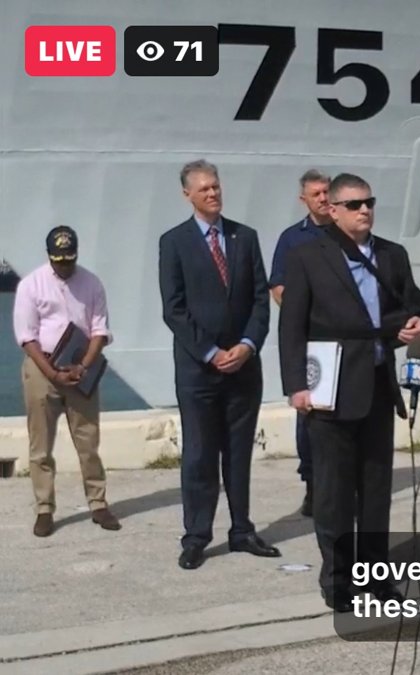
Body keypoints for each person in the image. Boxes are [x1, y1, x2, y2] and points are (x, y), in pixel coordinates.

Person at [278, 173, 420, 612]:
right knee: (333, 492)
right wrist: (296, 386)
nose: (364, 210)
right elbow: (292, 325)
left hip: (378, 385)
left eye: (369, 202)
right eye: (354, 204)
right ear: (332, 210)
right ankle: (338, 579)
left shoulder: (391, 254)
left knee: (375, 489)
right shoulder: (307, 256)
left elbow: (415, 300)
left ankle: (376, 575)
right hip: (330, 385)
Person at [158, 159, 278, 570]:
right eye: (204, 189)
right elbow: (173, 309)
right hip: (199, 371)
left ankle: (242, 530)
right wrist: (210, 352)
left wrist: (247, 345)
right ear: (187, 194)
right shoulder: (174, 242)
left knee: (239, 453)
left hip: (244, 368)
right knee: (199, 454)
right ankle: (196, 536)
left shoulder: (245, 237)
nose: (213, 193)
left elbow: (260, 300)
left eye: (216, 186)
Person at [12, 226, 121, 537]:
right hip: (42, 367)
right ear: (50, 256)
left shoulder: (91, 283)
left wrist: (83, 366)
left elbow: (100, 330)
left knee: (88, 441)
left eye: (70, 260)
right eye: (59, 261)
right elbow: (27, 336)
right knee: (41, 446)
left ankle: (98, 503)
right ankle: (44, 508)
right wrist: (52, 373)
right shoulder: (31, 285)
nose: (65, 266)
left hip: (81, 366)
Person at [268, 169, 334, 517]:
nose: (323, 198)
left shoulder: (346, 232)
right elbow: (277, 286)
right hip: (310, 340)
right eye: (316, 194)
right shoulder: (292, 239)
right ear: (303, 199)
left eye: (326, 192)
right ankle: (312, 485)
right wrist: (304, 311)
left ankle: (342, 486)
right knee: (308, 412)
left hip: (344, 339)